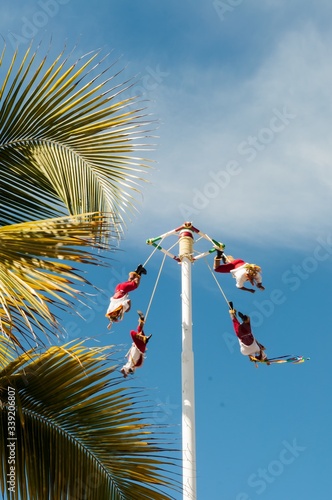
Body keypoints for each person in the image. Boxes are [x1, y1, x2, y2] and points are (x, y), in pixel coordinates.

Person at [105, 264, 147, 328]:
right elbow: (110, 316)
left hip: (123, 290)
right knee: (130, 282)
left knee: (135, 285)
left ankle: (139, 270)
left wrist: (128, 309)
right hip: (118, 288)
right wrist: (111, 322)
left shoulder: (120, 308)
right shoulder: (110, 310)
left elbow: (128, 301)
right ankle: (139, 271)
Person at [121, 311, 152, 378]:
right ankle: (143, 338)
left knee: (139, 330)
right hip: (139, 347)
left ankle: (141, 320)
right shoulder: (131, 364)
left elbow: (124, 370)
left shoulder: (135, 363)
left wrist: (125, 374)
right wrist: (125, 373)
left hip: (142, 346)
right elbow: (123, 369)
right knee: (132, 332)